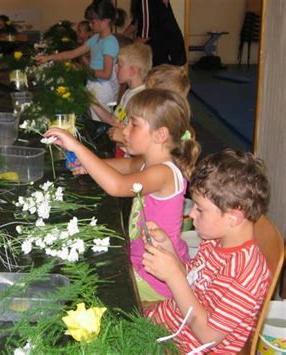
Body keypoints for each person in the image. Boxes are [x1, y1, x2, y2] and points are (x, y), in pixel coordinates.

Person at [45, 89, 200, 301]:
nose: (125, 130)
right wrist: (87, 166)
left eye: (134, 124)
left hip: (154, 279)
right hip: (140, 260)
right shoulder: (150, 161)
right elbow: (126, 165)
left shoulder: (163, 172)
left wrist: (76, 146)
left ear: (160, 134)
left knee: (84, 285)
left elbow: (117, 185)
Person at [142, 149, 270, 353]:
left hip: (180, 347)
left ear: (233, 218)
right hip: (167, 325)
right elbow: (192, 280)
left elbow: (208, 335)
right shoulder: (215, 241)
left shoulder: (248, 273)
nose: (192, 213)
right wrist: (168, 249)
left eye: (200, 209)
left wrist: (173, 276)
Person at [37, 0, 125, 122]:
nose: (90, 24)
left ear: (105, 21)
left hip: (103, 89)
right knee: (91, 119)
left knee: (100, 123)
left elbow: (106, 74)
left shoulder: (110, 42)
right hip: (93, 84)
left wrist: (84, 70)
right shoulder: (96, 38)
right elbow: (73, 53)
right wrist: (49, 57)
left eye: (93, 21)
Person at [94, 43, 152, 157]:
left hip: (130, 157)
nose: (115, 70)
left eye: (119, 66)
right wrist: (92, 101)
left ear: (133, 71)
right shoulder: (128, 92)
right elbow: (114, 120)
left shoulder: (140, 99)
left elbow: (142, 142)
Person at [126, 0, 186, 66]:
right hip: (165, 45)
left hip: (166, 48)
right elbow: (138, 21)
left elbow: (145, 35)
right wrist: (122, 36)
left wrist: (127, 49)